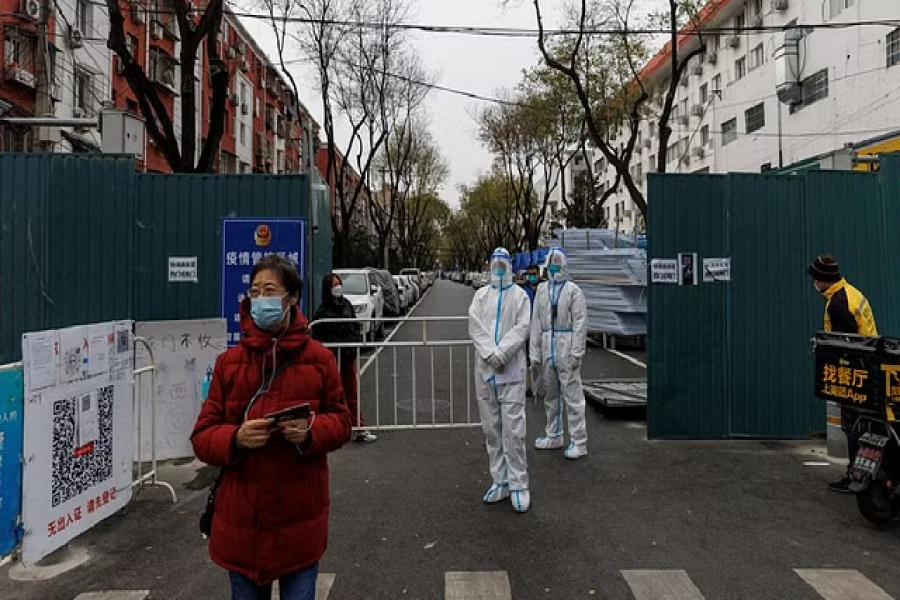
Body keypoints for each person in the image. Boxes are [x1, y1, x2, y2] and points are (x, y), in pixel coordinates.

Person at [191, 255, 352, 600]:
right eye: (255, 290)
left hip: (299, 522)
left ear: (292, 298)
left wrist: (311, 430)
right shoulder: (228, 364)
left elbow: (342, 422)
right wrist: (235, 437)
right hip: (242, 524)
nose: (261, 298)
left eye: (270, 290)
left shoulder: (320, 360)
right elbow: (202, 437)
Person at [469, 247, 532, 513]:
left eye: (503, 263)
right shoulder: (481, 296)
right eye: (495, 263)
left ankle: (519, 483)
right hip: (486, 370)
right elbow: (475, 326)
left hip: (511, 370)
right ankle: (500, 480)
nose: (498, 267)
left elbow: (523, 327)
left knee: (513, 429)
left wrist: (502, 352)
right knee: (491, 428)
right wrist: (489, 353)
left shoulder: (520, 297)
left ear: (509, 266)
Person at [809, 254, 878, 493]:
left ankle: (857, 475)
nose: (814, 283)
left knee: (853, 426)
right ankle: (861, 473)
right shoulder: (850, 293)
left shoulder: (839, 303)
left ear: (825, 279)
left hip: (857, 374)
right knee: (862, 424)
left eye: (816, 278)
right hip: (869, 368)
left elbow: (846, 347)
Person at [530, 246, 589, 460]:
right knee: (551, 395)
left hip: (566, 345)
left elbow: (580, 322)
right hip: (548, 346)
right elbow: (535, 322)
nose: (554, 265)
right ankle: (554, 434)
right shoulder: (542, 291)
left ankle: (579, 440)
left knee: (572, 395)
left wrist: (577, 352)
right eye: (551, 261)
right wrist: (534, 353)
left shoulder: (573, 291)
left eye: (557, 261)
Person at [311, 274, 377, 443]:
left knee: (352, 393)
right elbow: (317, 337)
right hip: (331, 360)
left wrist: (354, 342)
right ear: (327, 289)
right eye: (334, 285)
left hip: (348, 357)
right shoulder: (322, 312)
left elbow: (354, 325)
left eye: (339, 284)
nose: (338, 287)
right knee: (330, 395)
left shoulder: (346, 304)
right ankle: (325, 429)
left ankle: (359, 428)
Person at [520, 265, 540, 398]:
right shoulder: (523, 290)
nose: (532, 276)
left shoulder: (544, 288)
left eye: (534, 273)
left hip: (541, 327)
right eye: (530, 274)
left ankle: (543, 384)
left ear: (539, 274)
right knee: (529, 358)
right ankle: (531, 386)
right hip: (528, 327)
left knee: (543, 357)